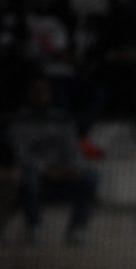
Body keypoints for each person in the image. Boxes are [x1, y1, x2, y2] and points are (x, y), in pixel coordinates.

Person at [9, 76, 99, 245]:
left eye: (44, 91)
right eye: (36, 92)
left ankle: (77, 230)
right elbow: (22, 155)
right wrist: (46, 170)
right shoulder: (21, 120)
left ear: (50, 94)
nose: (40, 95)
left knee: (91, 177)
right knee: (28, 176)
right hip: (37, 177)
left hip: (63, 175)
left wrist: (72, 169)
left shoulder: (61, 119)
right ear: (29, 95)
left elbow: (73, 151)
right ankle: (34, 228)